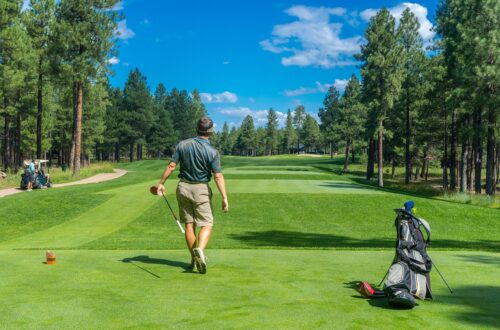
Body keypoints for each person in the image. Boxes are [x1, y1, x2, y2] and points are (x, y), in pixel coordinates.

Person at [157, 117, 228, 274]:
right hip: (201, 189)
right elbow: (217, 176)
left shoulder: (183, 145)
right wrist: (224, 197)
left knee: (189, 225)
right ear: (211, 131)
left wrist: (161, 183)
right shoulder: (213, 152)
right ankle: (200, 251)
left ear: (197, 129)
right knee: (207, 223)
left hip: (183, 187)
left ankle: (194, 259)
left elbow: (171, 166)